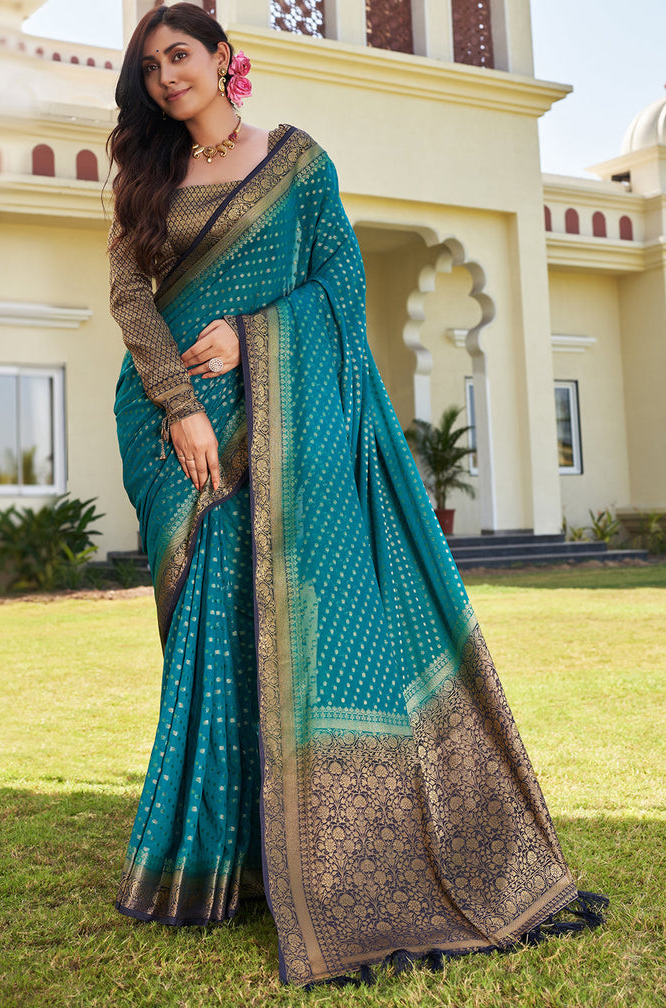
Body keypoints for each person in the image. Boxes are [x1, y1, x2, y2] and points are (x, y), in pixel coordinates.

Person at [107, 2, 606, 987]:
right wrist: (180, 405)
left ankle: (323, 847)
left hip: (284, 421)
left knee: (294, 621)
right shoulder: (145, 178)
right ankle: (216, 861)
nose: (167, 77)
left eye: (181, 55)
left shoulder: (296, 162)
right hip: (180, 431)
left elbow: (341, 289)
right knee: (209, 625)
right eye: (151, 67)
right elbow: (130, 299)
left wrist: (251, 336)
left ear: (222, 58)